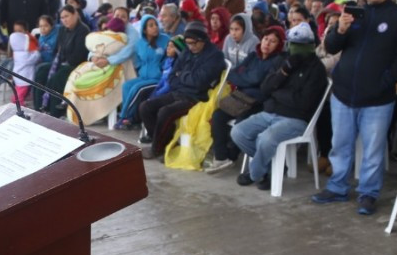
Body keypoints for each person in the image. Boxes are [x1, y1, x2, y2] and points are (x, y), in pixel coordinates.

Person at [312, 0, 397, 216]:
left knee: (372, 149)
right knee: (340, 145)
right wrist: (340, 28)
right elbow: (331, 47)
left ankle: (368, 193)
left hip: (378, 99)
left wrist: (385, 80)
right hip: (343, 93)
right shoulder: (354, 13)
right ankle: (337, 187)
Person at [230, 22, 328, 189]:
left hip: (296, 119)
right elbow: (266, 88)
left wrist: (277, 93)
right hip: (270, 112)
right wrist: (284, 72)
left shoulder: (316, 69)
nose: (296, 49)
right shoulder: (283, 60)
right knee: (238, 132)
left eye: (301, 46)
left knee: (265, 139)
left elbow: (304, 103)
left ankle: (255, 173)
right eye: (294, 45)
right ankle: (271, 167)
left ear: (311, 46)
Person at [204, 25, 288, 172]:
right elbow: (233, 74)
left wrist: (246, 78)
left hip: (258, 102)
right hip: (240, 97)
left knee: (241, 123)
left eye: (273, 41)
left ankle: (232, 156)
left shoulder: (277, 61)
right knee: (218, 116)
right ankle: (221, 157)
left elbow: (258, 80)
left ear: (279, 45)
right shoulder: (253, 56)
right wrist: (248, 79)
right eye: (266, 39)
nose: (267, 44)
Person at [137, 20, 224, 160]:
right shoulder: (187, 52)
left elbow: (199, 83)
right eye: (188, 43)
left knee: (165, 112)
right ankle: (164, 143)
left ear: (203, 40)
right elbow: (172, 77)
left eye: (194, 43)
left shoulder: (214, 56)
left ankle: (156, 148)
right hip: (179, 92)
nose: (191, 46)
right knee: (145, 107)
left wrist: (182, 76)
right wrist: (185, 78)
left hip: (196, 98)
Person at [63, 17, 133, 125]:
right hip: (95, 64)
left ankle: (83, 114)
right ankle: (71, 104)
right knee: (75, 75)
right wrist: (93, 57)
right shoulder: (101, 37)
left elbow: (123, 55)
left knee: (81, 83)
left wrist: (108, 60)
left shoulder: (123, 40)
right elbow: (94, 49)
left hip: (111, 68)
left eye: (123, 15)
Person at [115, 14, 168, 129]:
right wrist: (141, 69)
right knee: (126, 86)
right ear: (144, 30)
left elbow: (169, 58)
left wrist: (161, 68)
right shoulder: (139, 43)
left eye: (155, 25)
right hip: (144, 76)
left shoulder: (165, 40)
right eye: (151, 26)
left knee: (137, 88)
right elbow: (137, 60)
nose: (155, 27)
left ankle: (124, 117)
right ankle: (132, 118)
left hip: (158, 78)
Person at [34, 5, 88, 116]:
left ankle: (55, 113)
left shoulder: (83, 30)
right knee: (41, 71)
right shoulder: (62, 30)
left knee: (57, 77)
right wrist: (58, 62)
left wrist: (62, 62)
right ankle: (39, 108)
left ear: (75, 14)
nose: (64, 20)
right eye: (62, 18)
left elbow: (78, 56)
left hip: (77, 65)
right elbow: (58, 51)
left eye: (66, 16)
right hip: (62, 61)